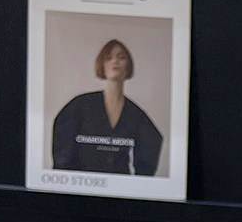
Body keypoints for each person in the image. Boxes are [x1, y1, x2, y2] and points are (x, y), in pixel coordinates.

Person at [51, 39, 163, 176]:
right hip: (83, 183)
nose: (115, 61)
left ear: (128, 66)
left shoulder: (136, 114)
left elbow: (151, 143)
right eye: (108, 58)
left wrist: (139, 182)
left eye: (121, 57)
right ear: (102, 65)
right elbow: (63, 151)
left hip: (119, 184)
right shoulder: (79, 106)